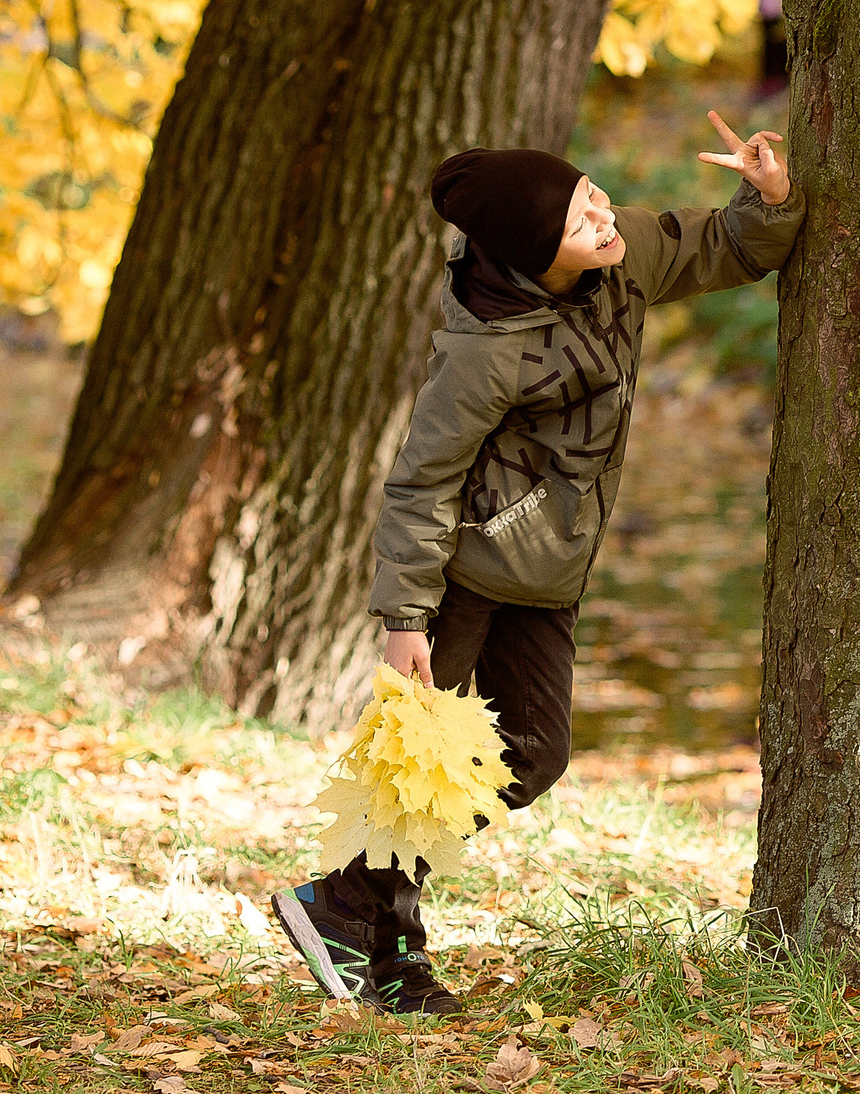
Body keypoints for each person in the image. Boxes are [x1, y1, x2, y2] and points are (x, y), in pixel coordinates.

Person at [271, 113, 801, 1016]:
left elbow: (723, 248)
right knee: (426, 766)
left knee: (534, 755)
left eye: (591, 190)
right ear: (531, 248)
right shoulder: (483, 351)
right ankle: (383, 944)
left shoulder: (618, 250)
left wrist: (767, 197)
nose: (599, 213)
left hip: (548, 571)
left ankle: (351, 907)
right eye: (575, 216)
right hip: (464, 576)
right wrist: (405, 620)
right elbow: (417, 482)